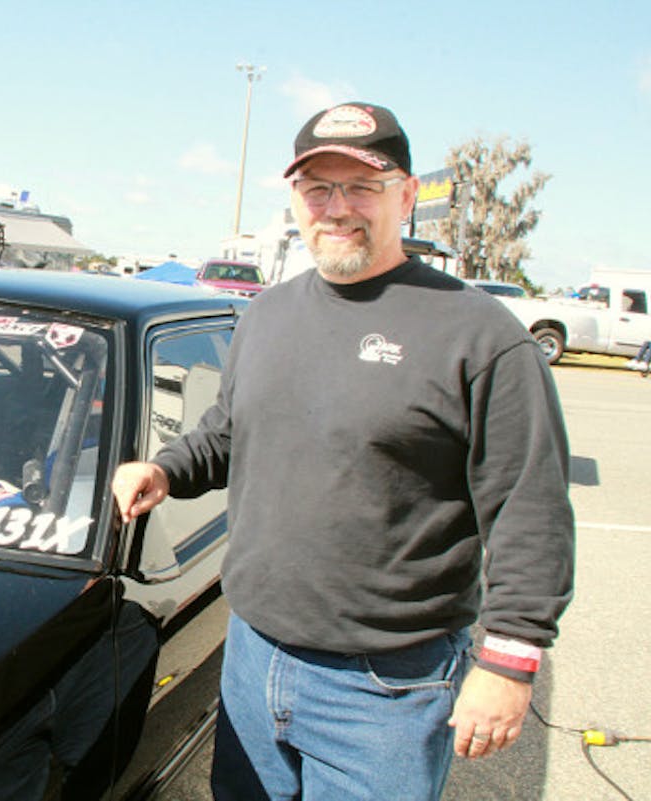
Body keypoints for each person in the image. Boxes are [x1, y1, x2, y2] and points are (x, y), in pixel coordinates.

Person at [111, 102, 574, 801]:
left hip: (386, 688)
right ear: (295, 199)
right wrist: (166, 468)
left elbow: (529, 510)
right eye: (318, 188)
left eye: (361, 186)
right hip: (252, 656)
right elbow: (229, 433)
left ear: (408, 195)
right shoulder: (268, 313)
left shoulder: (480, 336)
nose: (337, 207)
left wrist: (509, 662)